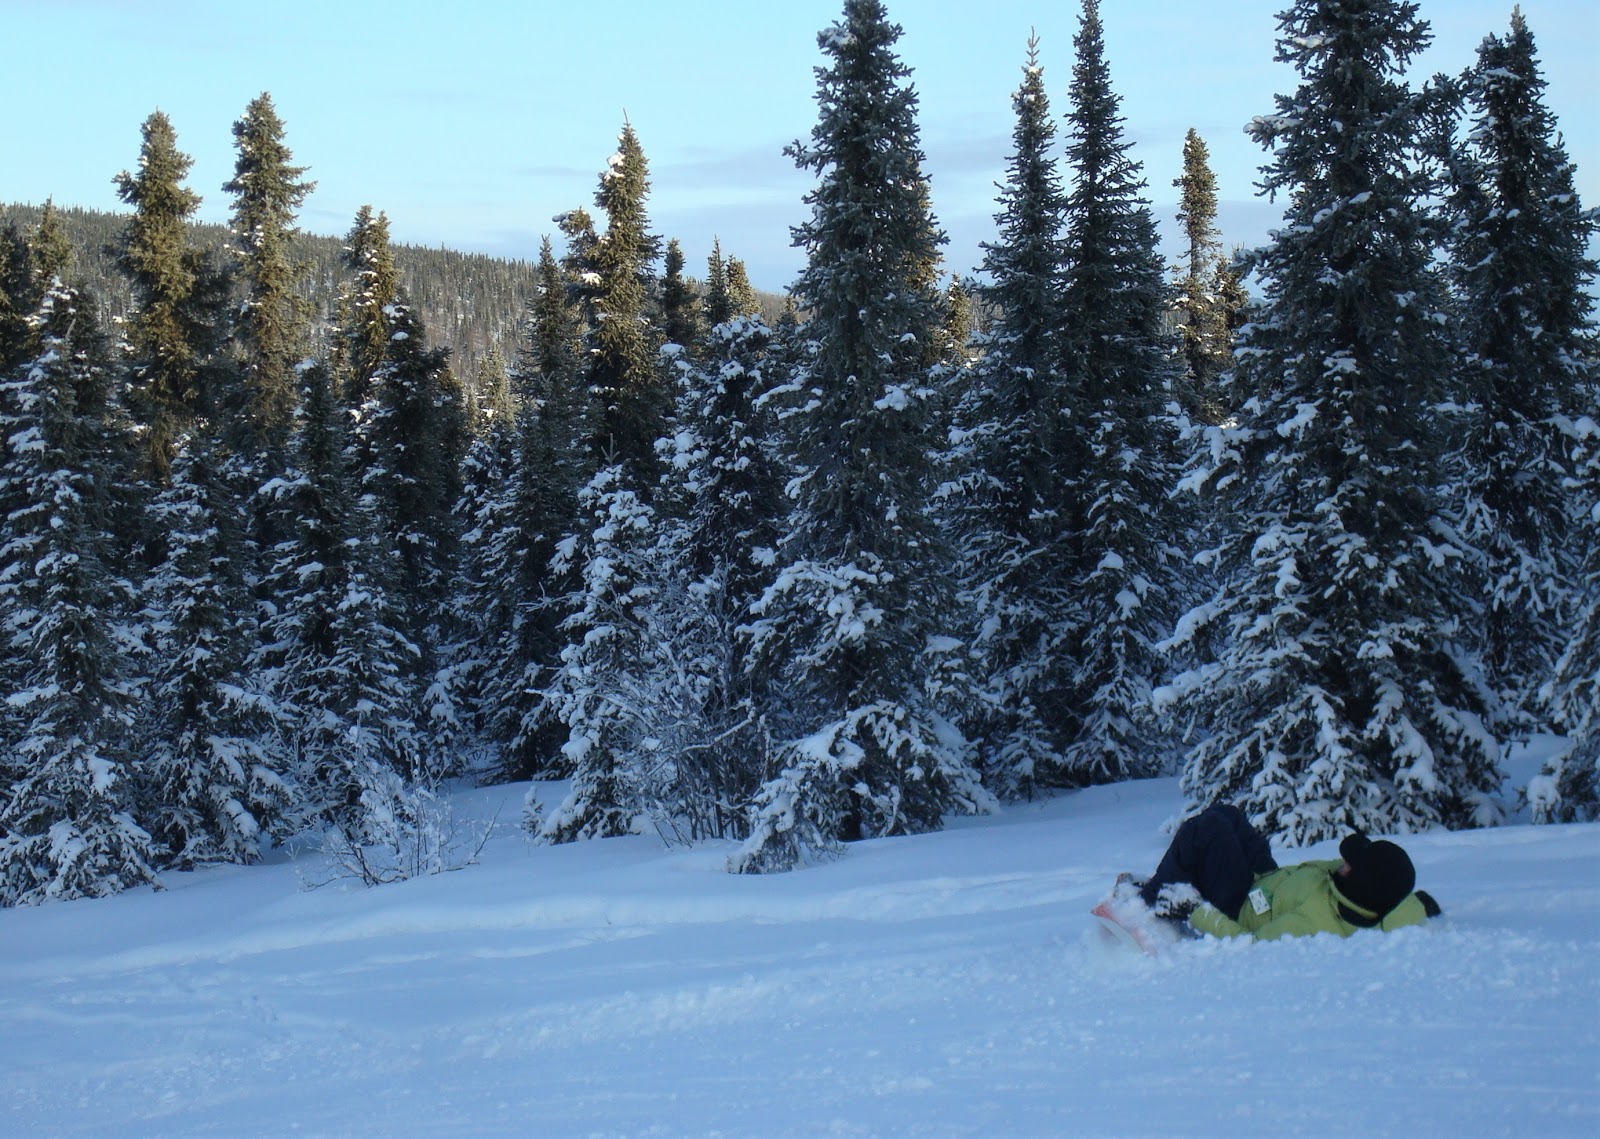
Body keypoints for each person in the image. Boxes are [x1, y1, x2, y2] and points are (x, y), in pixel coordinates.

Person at [1129, 804, 1439, 942]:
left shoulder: (1311, 925)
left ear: (1358, 884)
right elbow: (1404, 901)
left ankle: (1151, 901)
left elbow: (1250, 945)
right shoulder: (1384, 899)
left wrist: (1196, 912)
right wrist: (1423, 903)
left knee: (1206, 831)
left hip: (1239, 906)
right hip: (1266, 882)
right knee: (1227, 816)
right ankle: (1175, 879)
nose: (1341, 864)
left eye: (1349, 865)